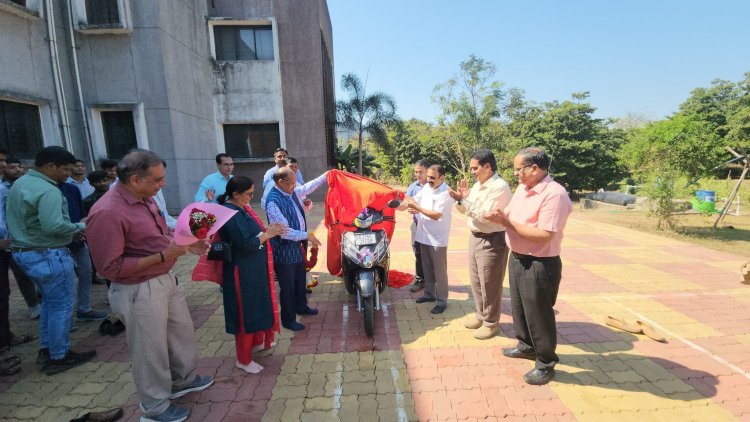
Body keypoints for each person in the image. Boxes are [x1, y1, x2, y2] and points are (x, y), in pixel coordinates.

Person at [87, 150, 213, 422]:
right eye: (157, 180)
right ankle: (154, 408)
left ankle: (181, 381)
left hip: (165, 279)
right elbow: (109, 268)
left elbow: (160, 234)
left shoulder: (145, 198)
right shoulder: (108, 212)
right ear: (135, 179)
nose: (162, 185)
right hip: (137, 289)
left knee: (181, 334)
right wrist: (164, 256)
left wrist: (187, 243)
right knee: (149, 349)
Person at [485, 147, 573, 386]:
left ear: (535, 168)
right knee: (520, 307)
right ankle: (526, 346)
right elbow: (512, 217)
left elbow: (544, 234)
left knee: (540, 314)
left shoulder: (554, 194)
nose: (515, 173)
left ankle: (545, 362)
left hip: (540, 262)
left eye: (518, 168)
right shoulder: (524, 189)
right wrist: (500, 216)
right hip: (518, 257)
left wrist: (506, 223)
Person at [7, 146, 96, 375]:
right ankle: (59, 355)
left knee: (50, 303)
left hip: (27, 252)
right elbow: (54, 226)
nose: (68, 173)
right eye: (65, 169)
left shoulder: (21, 184)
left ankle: (48, 349)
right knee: (62, 305)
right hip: (47, 253)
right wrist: (81, 225)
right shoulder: (48, 191)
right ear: (50, 166)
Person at [217, 176, 286, 373]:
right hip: (241, 271)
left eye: (252, 193)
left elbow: (253, 237)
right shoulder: (230, 214)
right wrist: (268, 235)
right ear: (236, 194)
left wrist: (267, 232)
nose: (251, 197)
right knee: (244, 313)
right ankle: (244, 359)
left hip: (253, 269)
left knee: (257, 305)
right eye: (248, 194)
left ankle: (256, 344)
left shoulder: (240, 209)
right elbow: (246, 244)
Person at [448, 149, 512, 340]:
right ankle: (481, 316)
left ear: (488, 166)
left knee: (490, 283)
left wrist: (464, 201)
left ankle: (491, 323)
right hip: (476, 236)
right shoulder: (478, 185)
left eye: (475, 168)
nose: (473, 172)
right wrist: (462, 200)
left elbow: (485, 215)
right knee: (476, 281)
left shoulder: (500, 187)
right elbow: (466, 210)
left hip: (492, 239)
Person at [265, 167, 327, 331]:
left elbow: (306, 188)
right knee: (288, 287)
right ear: (280, 182)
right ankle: (288, 319)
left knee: (300, 280)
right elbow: (283, 231)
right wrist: (307, 235)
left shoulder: (289, 191)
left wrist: (326, 176)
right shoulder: (272, 201)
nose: (294, 186)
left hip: (296, 246)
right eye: (291, 183)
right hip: (284, 250)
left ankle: (302, 306)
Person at [401, 164, 454, 314]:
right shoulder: (426, 188)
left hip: (438, 238)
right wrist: (397, 203)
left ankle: (442, 300)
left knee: (440, 271)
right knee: (427, 268)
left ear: (441, 178)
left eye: (432, 177)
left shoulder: (446, 192)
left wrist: (416, 208)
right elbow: (412, 200)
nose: (429, 180)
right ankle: (429, 294)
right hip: (423, 234)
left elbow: (436, 215)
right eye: (428, 177)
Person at [58, 181, 109, 323]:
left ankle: (84, 308)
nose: (66, 172)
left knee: (86, 272)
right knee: (63, 279)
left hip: (78, 237)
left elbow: (80, 212)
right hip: (56, 242)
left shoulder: (71, 189)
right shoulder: (45, 190)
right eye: (65, 168)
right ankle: (65, 320)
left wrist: (80, 230)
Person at [1, 155, 41, 319]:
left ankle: (42, 301)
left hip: (28, 235)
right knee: (21, 274)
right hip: (8, 239)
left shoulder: (26, 185)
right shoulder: (3, 188)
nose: (17, 170)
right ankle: (33, 305)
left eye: (19, 166)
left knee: (37, 271)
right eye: (12, 167)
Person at [406, 159, 429, 293]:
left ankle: (432, 281)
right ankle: (420, 279)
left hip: (430, 226)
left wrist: (418, 208)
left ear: (427, 172)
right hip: (416, 225)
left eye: (421, 172)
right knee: (418, 253)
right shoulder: (412, 187)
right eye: (416, 172)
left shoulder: (433, 186)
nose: (418, 174)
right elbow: (406, 202)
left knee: (431, 254)